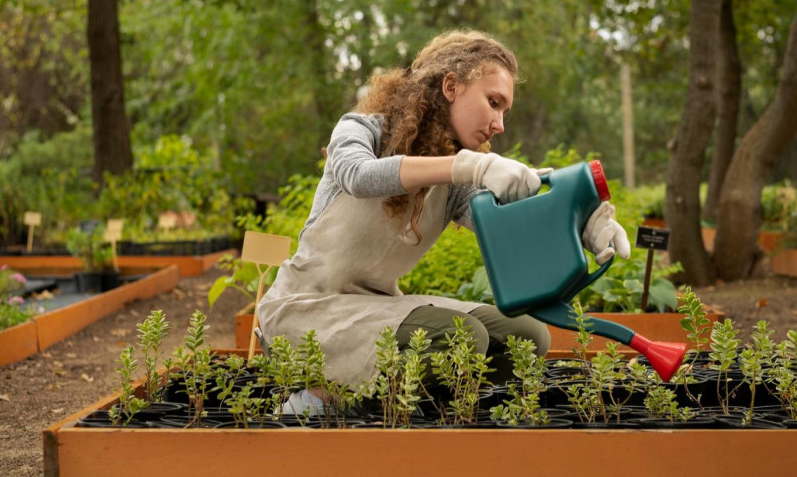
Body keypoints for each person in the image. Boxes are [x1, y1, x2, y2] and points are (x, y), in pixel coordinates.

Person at [257, 30, 630, 399]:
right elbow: (359, 176)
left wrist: (580, 222)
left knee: (528, 337)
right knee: (464, 337)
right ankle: (320, 400)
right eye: (493, 102)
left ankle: (426, 412)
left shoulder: (455, 183)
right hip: (305, 310)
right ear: (451, 87)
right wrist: (468, 166)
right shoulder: (361, 129)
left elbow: (511, 227)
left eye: (504, 111)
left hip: (376, 308)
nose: (499, 124)